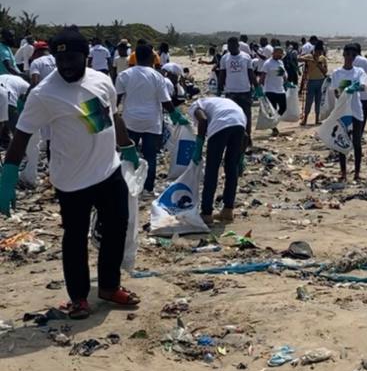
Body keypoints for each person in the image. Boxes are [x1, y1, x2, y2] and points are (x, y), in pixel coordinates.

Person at [0, 26, 141, 319]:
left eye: (72, 60)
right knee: (74, 239)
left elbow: (110, 116)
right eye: (60, 60)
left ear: (86, 57)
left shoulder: (102, 80)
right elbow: (22, 135)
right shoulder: (44, 94)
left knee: (117, 229)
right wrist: (9, 173)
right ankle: (79, 298)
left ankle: (108, 287)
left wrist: (126, 147)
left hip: (109, 171)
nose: (65, 66)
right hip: (71, 180)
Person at [117, 45, 189, 193]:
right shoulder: (157, 76)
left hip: (130, 121)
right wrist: (175, 114)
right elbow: (165, 101)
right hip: (152, 122)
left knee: (128, 155)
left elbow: (116, 100)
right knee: (150, 155)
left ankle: (127, 186)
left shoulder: (124, 75)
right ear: (151, 58)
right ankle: (148, 188)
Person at [190, 96, 247, 225]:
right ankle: (228, 210)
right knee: (232, 168)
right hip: (239, 123)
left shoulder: (196, 105)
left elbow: (203, 121)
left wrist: (199, 144)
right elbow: (245, 136)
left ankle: (206, 213)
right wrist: (240, 157)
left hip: (220, 126)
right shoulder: (221, 103)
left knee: (212, 169)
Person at [330, 44, 367, 182]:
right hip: (342, 112)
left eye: (353, 56)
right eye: (347, 55)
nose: (349, 58)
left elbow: (364, 87)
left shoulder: (359, 72)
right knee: (342, 141)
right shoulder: (336, 73)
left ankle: (357, 172)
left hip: (356, 110)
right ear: (344, 55)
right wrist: (343, 93)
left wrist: (355, 87)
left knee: (357, 142)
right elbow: (335, 91)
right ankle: (343, 172)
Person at [218, 37, 258, 144]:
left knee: (246, 116)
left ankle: (248, 137)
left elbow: (251, 73)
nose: (231, 48)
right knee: (231, 117)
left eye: (233, 46)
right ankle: (233, 138)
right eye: (229, 46)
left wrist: (257, 87)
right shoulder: (225, 58)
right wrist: (219, 89)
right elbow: (222, 74)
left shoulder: (246, 57)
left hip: (245, 91)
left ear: (237, 46)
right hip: (230, 92)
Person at [299, 40, 328, 125]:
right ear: (314, 50)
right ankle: (305, 119)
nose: (319, 53)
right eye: (317, 51)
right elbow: (299, 58)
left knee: (318, 101)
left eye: (320, 52)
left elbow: (325, 71)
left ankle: (317, 119)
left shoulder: (323, 59)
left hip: (321, 81)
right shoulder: (309, 56)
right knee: (309, 100)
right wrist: (307, 59)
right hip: (311, 81)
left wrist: (319, 65)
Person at [260, 47, 287, 136]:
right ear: (274, 53)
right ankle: (274, 128)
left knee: (283, 107)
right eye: (279, 53)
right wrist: (260, 88)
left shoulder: (280, 62)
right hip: (270, 90)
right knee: (273, 110)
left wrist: (286, 81)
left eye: (282, 54)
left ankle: (274, 123)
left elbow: (283, 74)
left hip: (280, 89)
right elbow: (262, 76)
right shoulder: (267, 63)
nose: (281, 55)